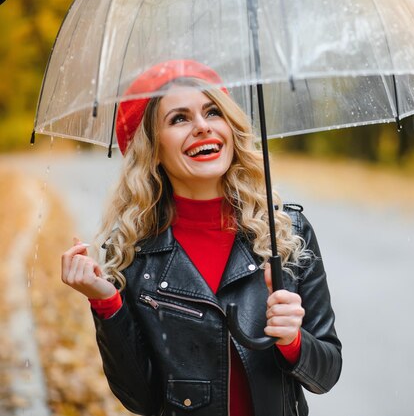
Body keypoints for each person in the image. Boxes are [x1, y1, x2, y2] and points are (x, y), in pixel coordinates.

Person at [60, 60, 342, 416]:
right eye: (179, 119)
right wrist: (106, 304)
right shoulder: (134, 254)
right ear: (153, 150)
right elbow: (139, 398)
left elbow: (327, 373)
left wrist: (293, 340)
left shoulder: (287, 233)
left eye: (212, 112)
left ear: (231, 126)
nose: (202, 127)